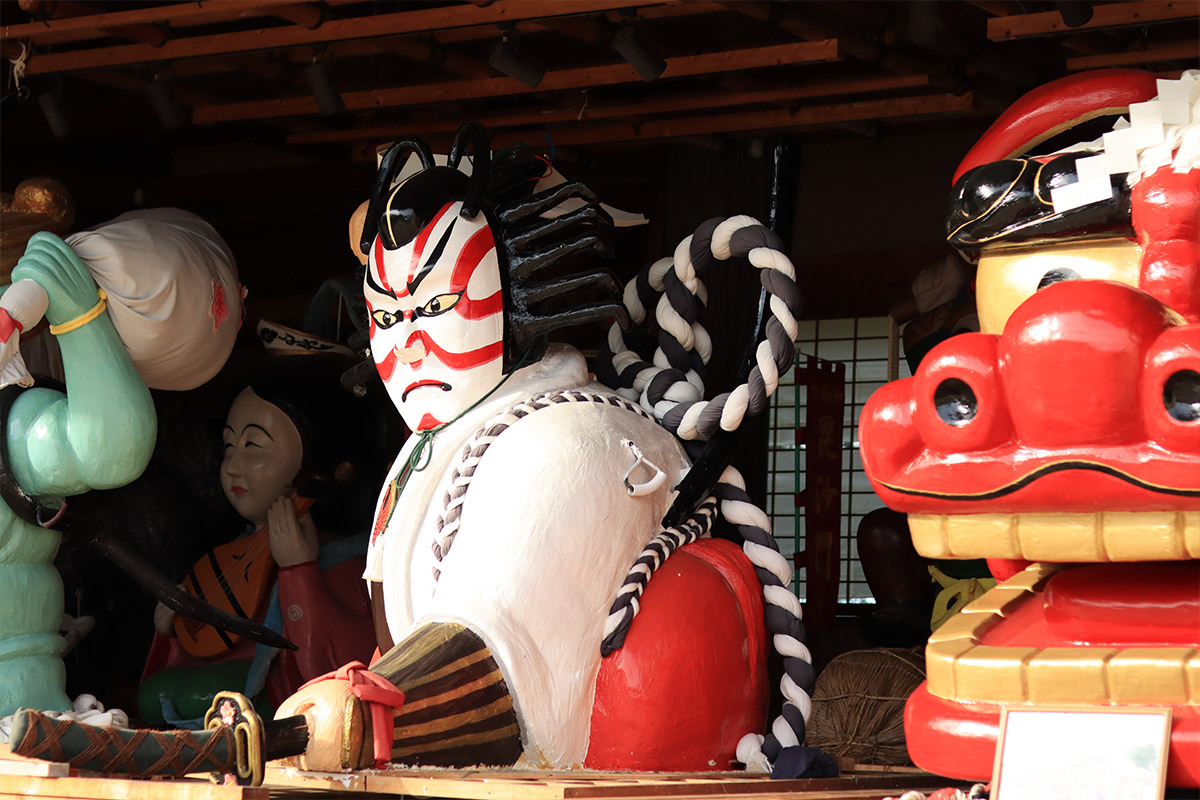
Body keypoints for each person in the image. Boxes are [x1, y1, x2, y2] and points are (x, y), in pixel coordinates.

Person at [138, 360, 385, 725]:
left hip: (277, 701)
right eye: (228, 446)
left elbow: (347, 663)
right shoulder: (230, 556)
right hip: (211, 691)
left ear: (327, 467)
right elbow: (203, 645)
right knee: (155, 694)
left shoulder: (349, 559)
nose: (233, 465)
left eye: (254, 445)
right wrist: (174, 629)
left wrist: (299, 570)